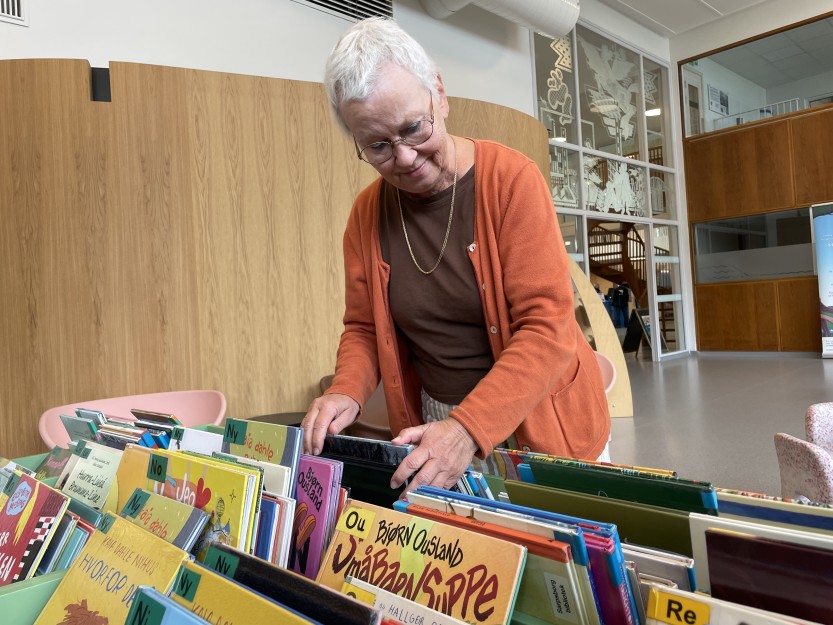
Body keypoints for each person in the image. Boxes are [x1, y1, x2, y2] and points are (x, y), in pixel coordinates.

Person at [301, 17, 610, 494]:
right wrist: (345, 388)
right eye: (378, 146)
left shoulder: (511, 182)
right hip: (438, 426)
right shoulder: (366, 215)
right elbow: (363, 328)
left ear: (438, 95)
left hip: (537, 416)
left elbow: (547, 329)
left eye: (412, 128)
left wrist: (468, 429)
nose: (403, 157)